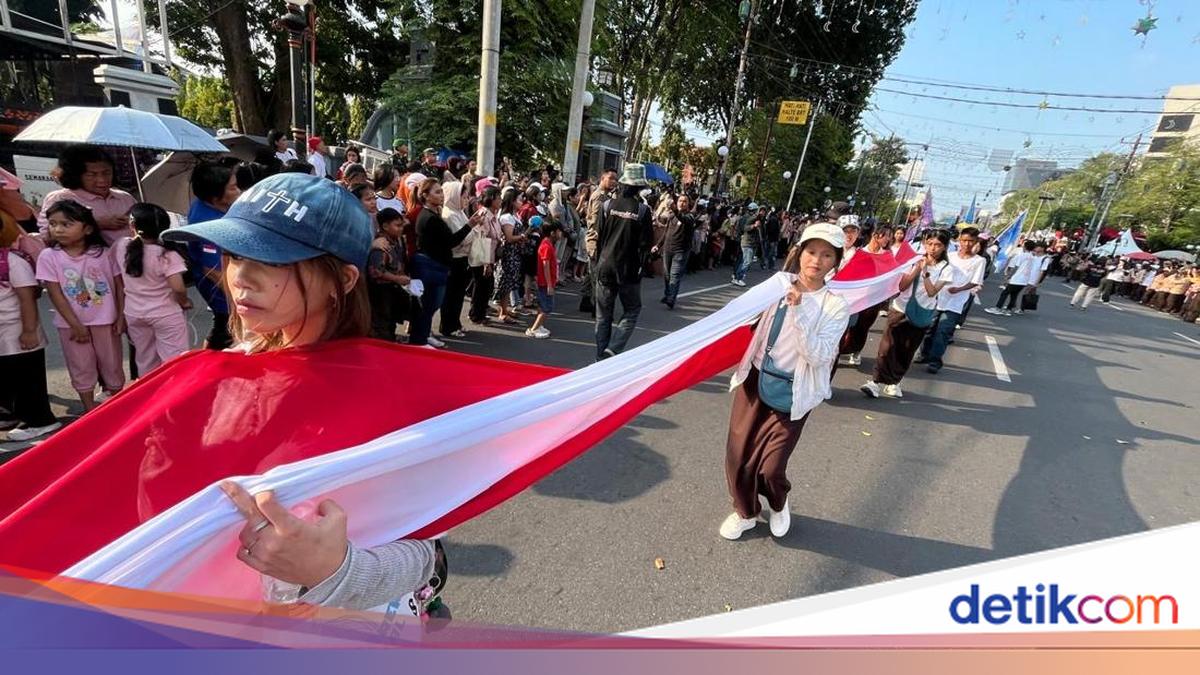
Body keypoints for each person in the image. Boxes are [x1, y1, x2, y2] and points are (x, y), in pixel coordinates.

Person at [162, 172, 441, 611]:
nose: (241, 278)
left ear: (343, 280)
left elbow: (429, 553)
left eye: (271, 259)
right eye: (234, 254)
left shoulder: (392, 395)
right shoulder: (227, 368)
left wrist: (332, 569)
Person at [719, 223, 850, 540]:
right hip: (756, 379)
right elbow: (739, 317)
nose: (816, 260)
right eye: (811, 251)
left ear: (835, 261)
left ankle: (778, 502)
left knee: (770, 467)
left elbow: (819, 356)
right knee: (738, 457)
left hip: (795, 391)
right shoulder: (776, 286)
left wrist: (800, 308)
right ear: (800, 252)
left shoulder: (836, 305)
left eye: (826, 254)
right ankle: (746, 512)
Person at [35, 200, 125, 410]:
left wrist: (121, 317)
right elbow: (55, 294)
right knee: (80, 365)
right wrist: (75, 325)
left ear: (87, 228)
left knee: (112, 363)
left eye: (66, 224)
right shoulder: (49, 257)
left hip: (106, 321)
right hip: (71, 326)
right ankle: (88, 408)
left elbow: (119, 286)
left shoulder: (103, 253)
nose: (58, 229)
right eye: (53, 223)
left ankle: (119, 404)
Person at [860, 230, 955, 399]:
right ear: (925, 243)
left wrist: (925, 272)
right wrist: (916, 269)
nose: (933, 248)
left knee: (907, 349)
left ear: (945, 247)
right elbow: (902, 286)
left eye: (938, 245)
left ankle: (894, 382)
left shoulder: (946, 269)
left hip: (922, 314)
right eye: (930, 244)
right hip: (899, 309)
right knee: (887, 347)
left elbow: (932, 292)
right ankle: (874, 382)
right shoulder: (914, 260)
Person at [0, 213, 60, 441]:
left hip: (19, 331)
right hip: (4, 333)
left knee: (26, 380)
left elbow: (27, 298)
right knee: (10, 379)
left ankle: (40, 420)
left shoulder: (12, 260)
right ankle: (23, 416)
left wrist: (28, 330)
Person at [113, 203, 191, 376]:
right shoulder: (167, 255)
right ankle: (172, 398)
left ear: (132, 225)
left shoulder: (121, 246)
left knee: (145, 359)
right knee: (174, 361)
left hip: (134, 313)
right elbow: (178, 287)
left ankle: (150, 395)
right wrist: (184, 301)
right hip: (165, 312)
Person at [593, 163, 654, 360]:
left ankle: (600, 356)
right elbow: (645, 245)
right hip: (628, 269)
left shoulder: (607, 206)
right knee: (632, 309)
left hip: (604, 265)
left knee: (603, 316)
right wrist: (643, 267)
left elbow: (600, 237)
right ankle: (613, 349)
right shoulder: (643, 211)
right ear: (639, 187)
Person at [915, 227, 986, 374]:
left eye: (970, 241)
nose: (967, 244)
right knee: (929, 329)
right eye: (964, 240)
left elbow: (975, 281)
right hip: (937, 298)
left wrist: (959, 289)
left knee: (943, 331)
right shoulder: (950, 256)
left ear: (976, 242)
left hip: (955, 303)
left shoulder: (979, 261)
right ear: (959, 240)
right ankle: (924, 354)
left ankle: (935, 361)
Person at [410, 179, 472, 348]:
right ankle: (419, 339)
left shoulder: (434, 214)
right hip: (431, 265)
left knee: (432, 304)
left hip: (437, 265)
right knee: (428, 305)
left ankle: (424, 335)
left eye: (441, 191)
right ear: (425, 196)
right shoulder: (429, 217)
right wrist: (470, 225)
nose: (441, 195)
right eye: (437, 192)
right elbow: (451, 241)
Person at [186, 161, 241, 350]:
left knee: (222, 328)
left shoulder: (204, 204)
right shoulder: (208, 225)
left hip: (224, 287)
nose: (239, 191)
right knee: (226, 329)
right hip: (221, 292)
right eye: (233, 188)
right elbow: (212, 269)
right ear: (216, 197)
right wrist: (238, 297)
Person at [38, 145, 136, 245]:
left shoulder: (125, 198)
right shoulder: (61, 199)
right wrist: (96, 224)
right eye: (91, 175)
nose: (102, 180)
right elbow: (47, 237)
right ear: (76, 176)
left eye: (106, 173)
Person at [838, 219, 894, 367]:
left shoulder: (887, 255)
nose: (888, 239)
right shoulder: (859, 252)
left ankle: (856, 351)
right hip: (853, 298)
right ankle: (842, 350)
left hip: (873, 299)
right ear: (875, 235)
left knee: (863, 327)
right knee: (848, 327)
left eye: (890, 236)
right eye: (885, 235)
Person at [365, 208, 411, 341]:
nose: (401, 228)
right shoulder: (382, 245)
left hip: (392, 292)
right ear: (385, 226)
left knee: (390, 323)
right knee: (382, 326)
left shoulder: (396, 240)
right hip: (381, 293)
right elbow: (376, 272)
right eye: (397, 225)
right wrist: (397, 279)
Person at [439, 181, 477, 338]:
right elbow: (463, 238)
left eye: (467, 197)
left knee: (459, 295)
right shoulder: (448, 214)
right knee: (451, 296)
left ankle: (456, 323)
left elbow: (471, 235)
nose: (466, 200)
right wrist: (471, 228)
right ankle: (448, 326)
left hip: (463, 259)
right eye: (464, 197)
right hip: (454, 260)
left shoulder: (460, 212)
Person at [653, 194, 696, 310]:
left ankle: (671, 298)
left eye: (685, 201)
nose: (682, 203)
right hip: (668, 249)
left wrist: (674, 209)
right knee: (666, 275)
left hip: (681, 251)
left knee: (675, 275)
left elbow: (683, 219)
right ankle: (668, 294)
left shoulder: (690, 216)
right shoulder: (672, 216)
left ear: (688, 204)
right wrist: (658, 245)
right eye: (680, 201)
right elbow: (666, 233)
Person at [468, 185, 502, 326]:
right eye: (498, 198)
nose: (500, 200)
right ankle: (476, 315)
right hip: (481, 257)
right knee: (481, 286)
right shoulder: (483, 215)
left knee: (485, 286)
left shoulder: (492, 215)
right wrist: (486, 263)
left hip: (490, 255)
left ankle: (481, 312)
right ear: (491, 199)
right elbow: (480, 239)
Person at [494, 188, 528, 324]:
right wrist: (522, 236)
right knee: (506, 282)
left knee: (510, 282)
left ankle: (505, 309)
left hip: (515, 253)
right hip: (509, 253)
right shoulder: (507, 217)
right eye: (519, 199)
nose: (522, 202)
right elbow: (509, 237)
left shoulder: (515, 216)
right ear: (512, 201)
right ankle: (503, 311)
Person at [986, 240, 1046, 316]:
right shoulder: (1033, 257)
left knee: (1005, 293)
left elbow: (1015, 267)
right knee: (1014, 295)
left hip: (1017, 278)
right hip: (1025, 280)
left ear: (1025, 247)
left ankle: (998, 308)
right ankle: (1008, 310)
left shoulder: (1021, 255)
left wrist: (1008, 277)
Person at [527, 221, 562, 339]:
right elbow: (545, 265)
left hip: (546, 281)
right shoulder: (546, 246)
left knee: (543, 305)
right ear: (552, 233)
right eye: (558, 231)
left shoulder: (547, 244)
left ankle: (539, 325)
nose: (560, 234)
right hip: (545, 282)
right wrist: (549, 285)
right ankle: (534, 329)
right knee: (546, 307)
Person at [732, 203, 761, 287]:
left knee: (742, 260)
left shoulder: (746, 217)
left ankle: (736, 276)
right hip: (746, 241)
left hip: (745, 241)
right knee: (746, 261)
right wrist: (754, 226)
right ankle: (738, 278)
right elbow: (744, 228)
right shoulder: (748, 218)